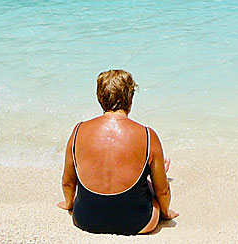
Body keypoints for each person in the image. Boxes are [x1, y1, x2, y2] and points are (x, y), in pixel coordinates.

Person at [58, 70, 178, 235]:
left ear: (100, 97)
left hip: (85, 219)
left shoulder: (78, 130)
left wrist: (69, 204)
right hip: (138, 223)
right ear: (130, 99)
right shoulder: (148, 135)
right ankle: (150, 173)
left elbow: (68, 182)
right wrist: (165, 213)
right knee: (152, 188)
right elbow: (163, 191)